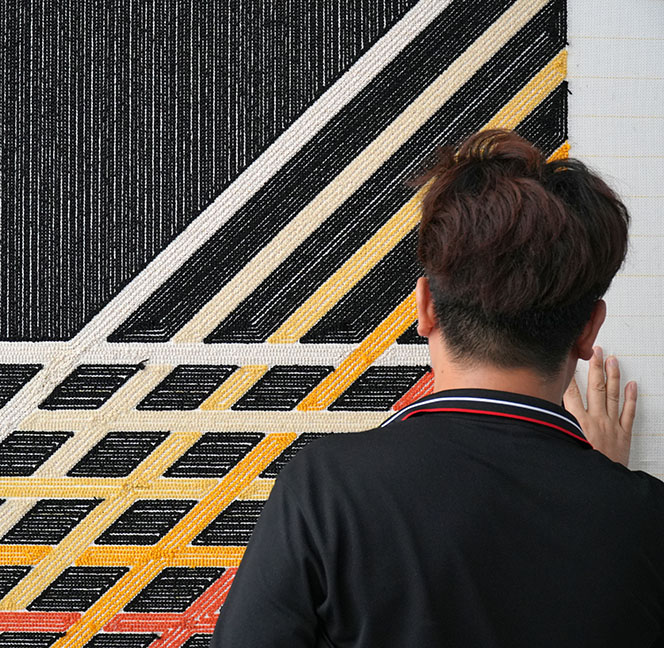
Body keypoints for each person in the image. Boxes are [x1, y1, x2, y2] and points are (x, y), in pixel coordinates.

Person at [210, 129, 664, 647]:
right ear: (589, 330)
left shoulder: (326, 488)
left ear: (424, 307)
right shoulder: (644, 521)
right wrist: (609, 491)